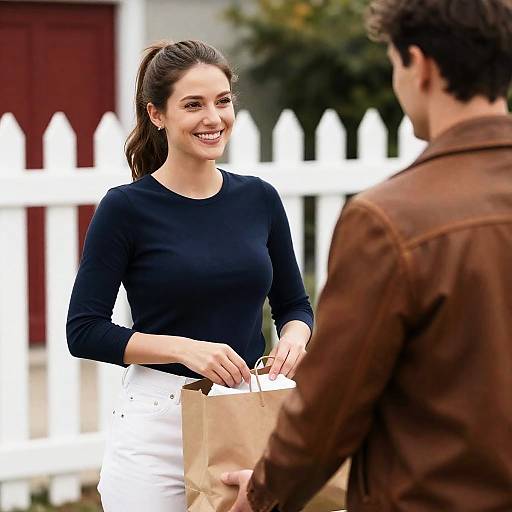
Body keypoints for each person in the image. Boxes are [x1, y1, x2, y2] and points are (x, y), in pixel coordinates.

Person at [222, 1, 512, 511]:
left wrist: (259, 498)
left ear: (418, 65)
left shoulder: (389, 221)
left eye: (394, 63)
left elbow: (326, 411)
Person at [66, 40, 313, 512]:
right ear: (157, 114)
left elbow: (294, 305)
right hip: (156, 424)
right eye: (193, 104)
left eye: (222, 101)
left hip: (244, 411)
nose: (213, 118)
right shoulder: (125, 209)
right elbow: (84, 330)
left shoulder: (259, 199)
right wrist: (185, 348)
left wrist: (295, 339)